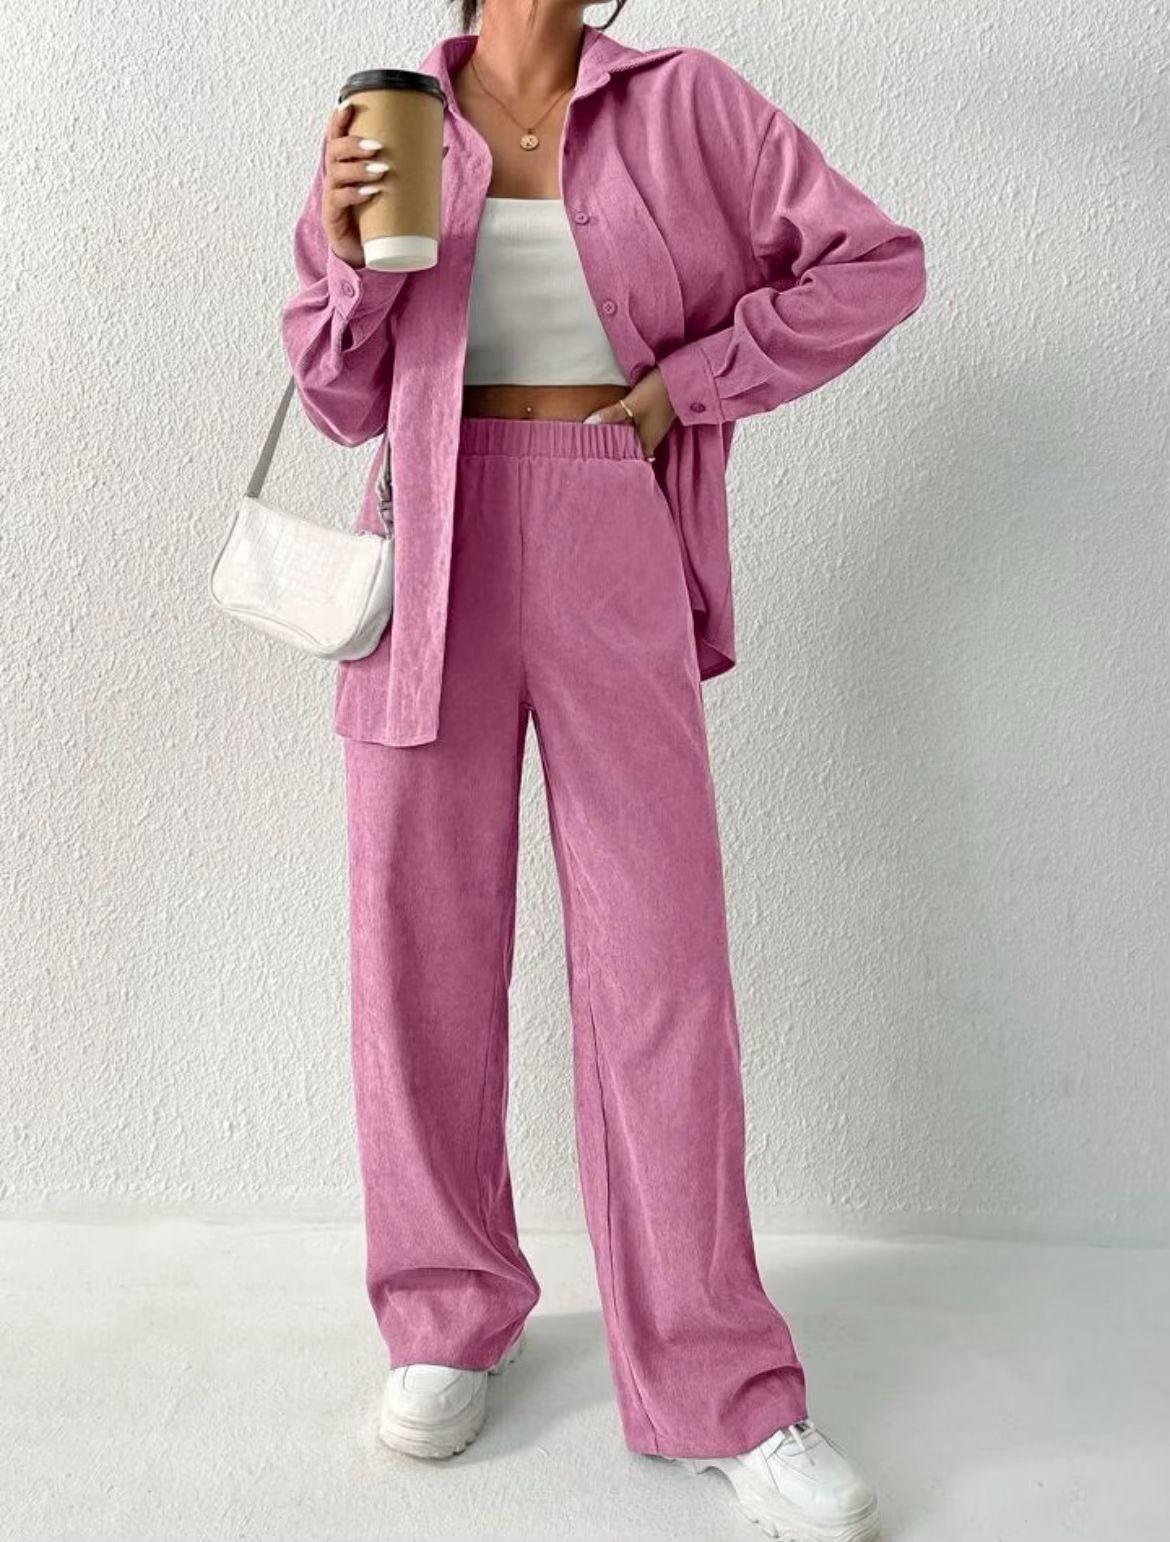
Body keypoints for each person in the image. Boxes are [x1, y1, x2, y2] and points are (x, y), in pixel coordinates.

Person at [280, 2, 926, 1536]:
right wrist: (354, 255)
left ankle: (718, 1381)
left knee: (660, 965)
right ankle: (444, 1312)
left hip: (605, 513)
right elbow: (336, 397)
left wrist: (681, 387)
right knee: (418, 951)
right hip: (425, 542)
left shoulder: (689, 104)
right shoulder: (390, 113)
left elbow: (873, 263)